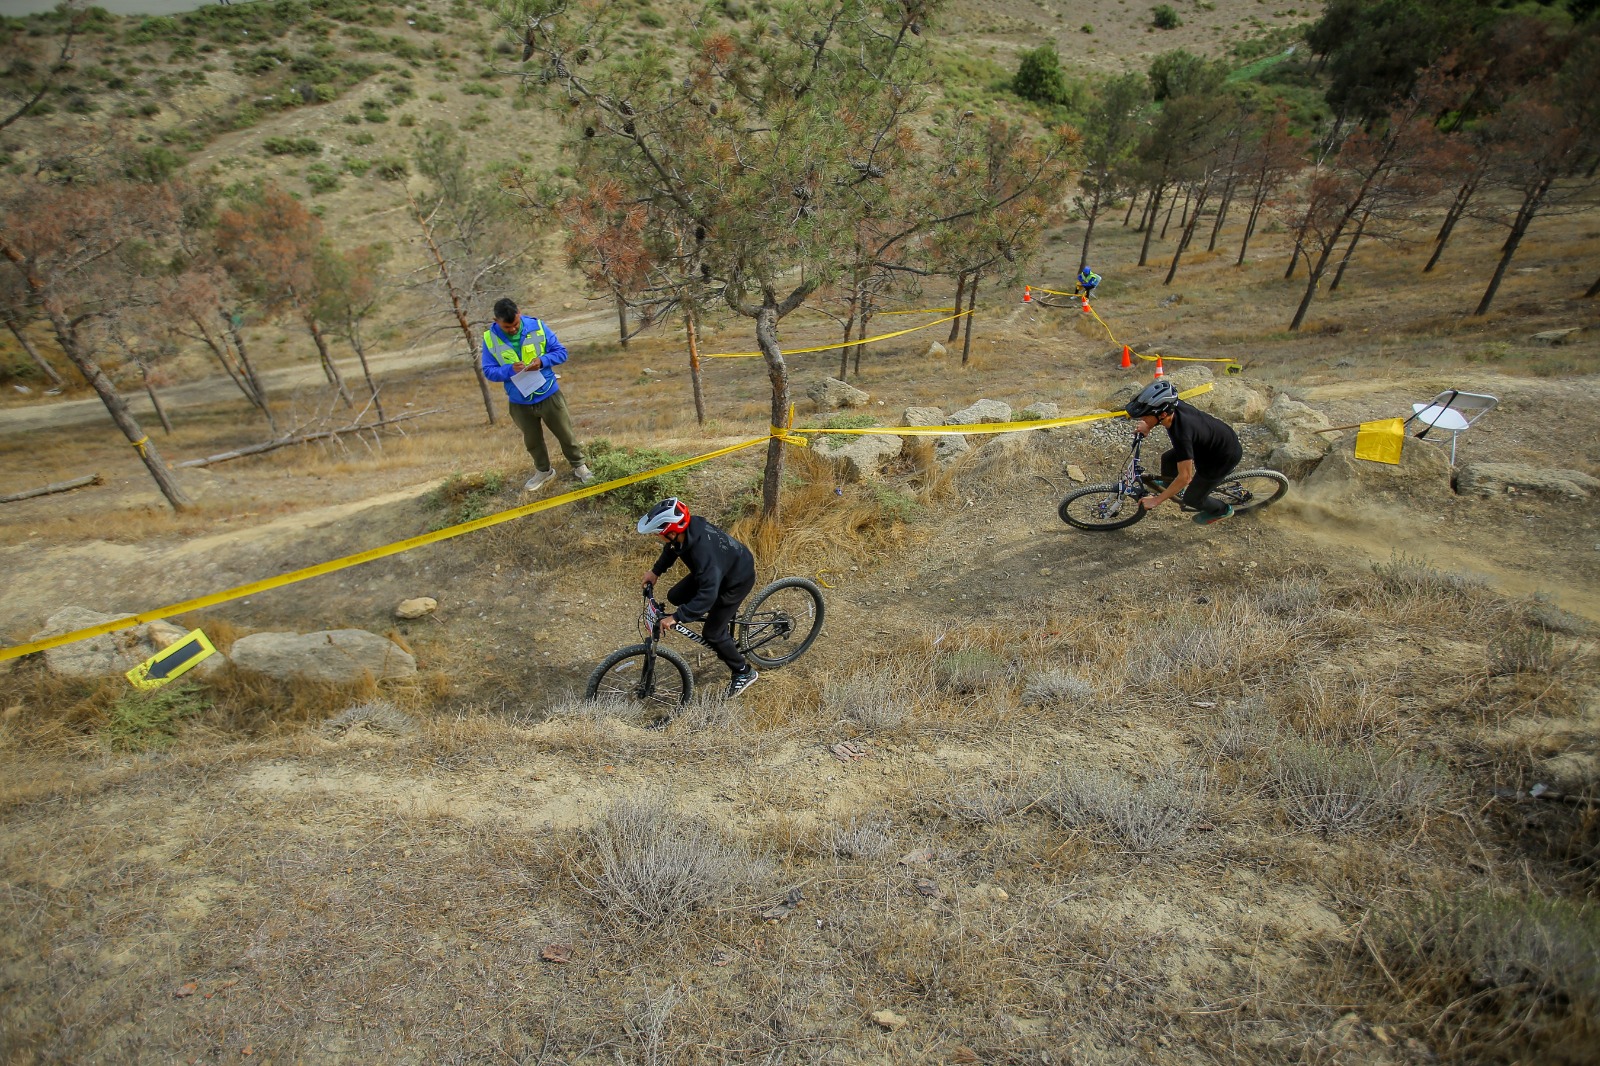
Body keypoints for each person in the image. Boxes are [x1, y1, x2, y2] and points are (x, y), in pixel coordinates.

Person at [637, 498, 760, 697]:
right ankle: (721, 616)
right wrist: (655, 571)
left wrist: (677, 617)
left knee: (712, 634)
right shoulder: (686, 532)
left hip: (737, 579)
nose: (658, 538)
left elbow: (707, 595)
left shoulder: (703, 554)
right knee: (675, 596)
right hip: (720, 570)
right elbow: (672, 549)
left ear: (672, 532)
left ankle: (744, 672)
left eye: (659, 534)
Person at [481, 297, 592, 492]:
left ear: (519, 313)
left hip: (548, 393)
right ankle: (544, 471)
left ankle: (579, 466)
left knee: (565, 434)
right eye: (507, 327)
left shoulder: (538, 327)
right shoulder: (490, 339)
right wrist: (509, 370)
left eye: (515, 324)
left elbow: (561, 352)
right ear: (496, 321)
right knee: (532, 441)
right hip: (519, 400)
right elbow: (489, 371)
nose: (513, 329)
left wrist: (542, 361)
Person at [1125, 380, 1243, 525]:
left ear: (1162, 414)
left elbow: (1185, 477)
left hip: (1222, 457)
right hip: (1211, 442)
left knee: (1192, 499)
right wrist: (1149, 425)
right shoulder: (1172, 407)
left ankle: (1222, 510)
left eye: (1145, 416)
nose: (1142, 419)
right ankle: (1170, 486)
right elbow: (1158, 417)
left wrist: (1157, 500)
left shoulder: (1182, 434)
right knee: (1168, 459)